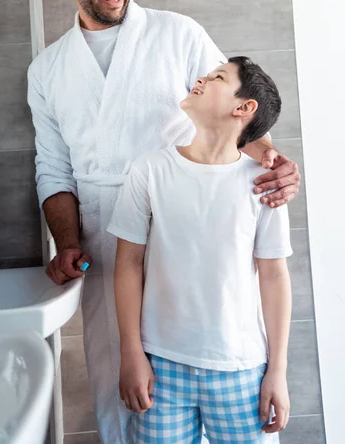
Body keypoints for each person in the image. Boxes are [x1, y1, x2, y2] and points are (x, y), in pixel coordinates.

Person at [27, 0, 300, 444]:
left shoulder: (178, 33)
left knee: (213, 342)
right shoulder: (48, 70)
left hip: (191, 214)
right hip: (107, 232)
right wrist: (67, 241)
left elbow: (241, 115)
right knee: (120, 373)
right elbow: (52, 166)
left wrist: (274, 161)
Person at [109, 57, 292, 443]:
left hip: (241, 368)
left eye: (218, 78)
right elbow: (128, 264)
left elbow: (274, 276)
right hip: (160, 365)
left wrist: (277, 370)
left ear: (243, 108)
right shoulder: (150, 170)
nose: (201, 79)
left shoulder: (262, 184)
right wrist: (131, 353)